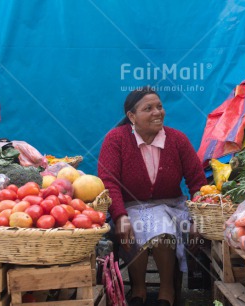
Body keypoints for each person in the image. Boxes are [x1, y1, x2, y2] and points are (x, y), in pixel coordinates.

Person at [98, 86, 207, 306]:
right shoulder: (116, 140)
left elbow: (198, 182)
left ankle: (167, 290)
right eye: (148, 108)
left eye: (159, 106)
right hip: (130, 207)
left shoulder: (177, 140)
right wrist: (119, 216)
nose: (158, 112)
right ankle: (138, 288)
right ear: (132, 116)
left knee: (160, 224)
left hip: (172, 208)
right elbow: (108, 182)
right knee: (137, 223)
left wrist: (198, 219)